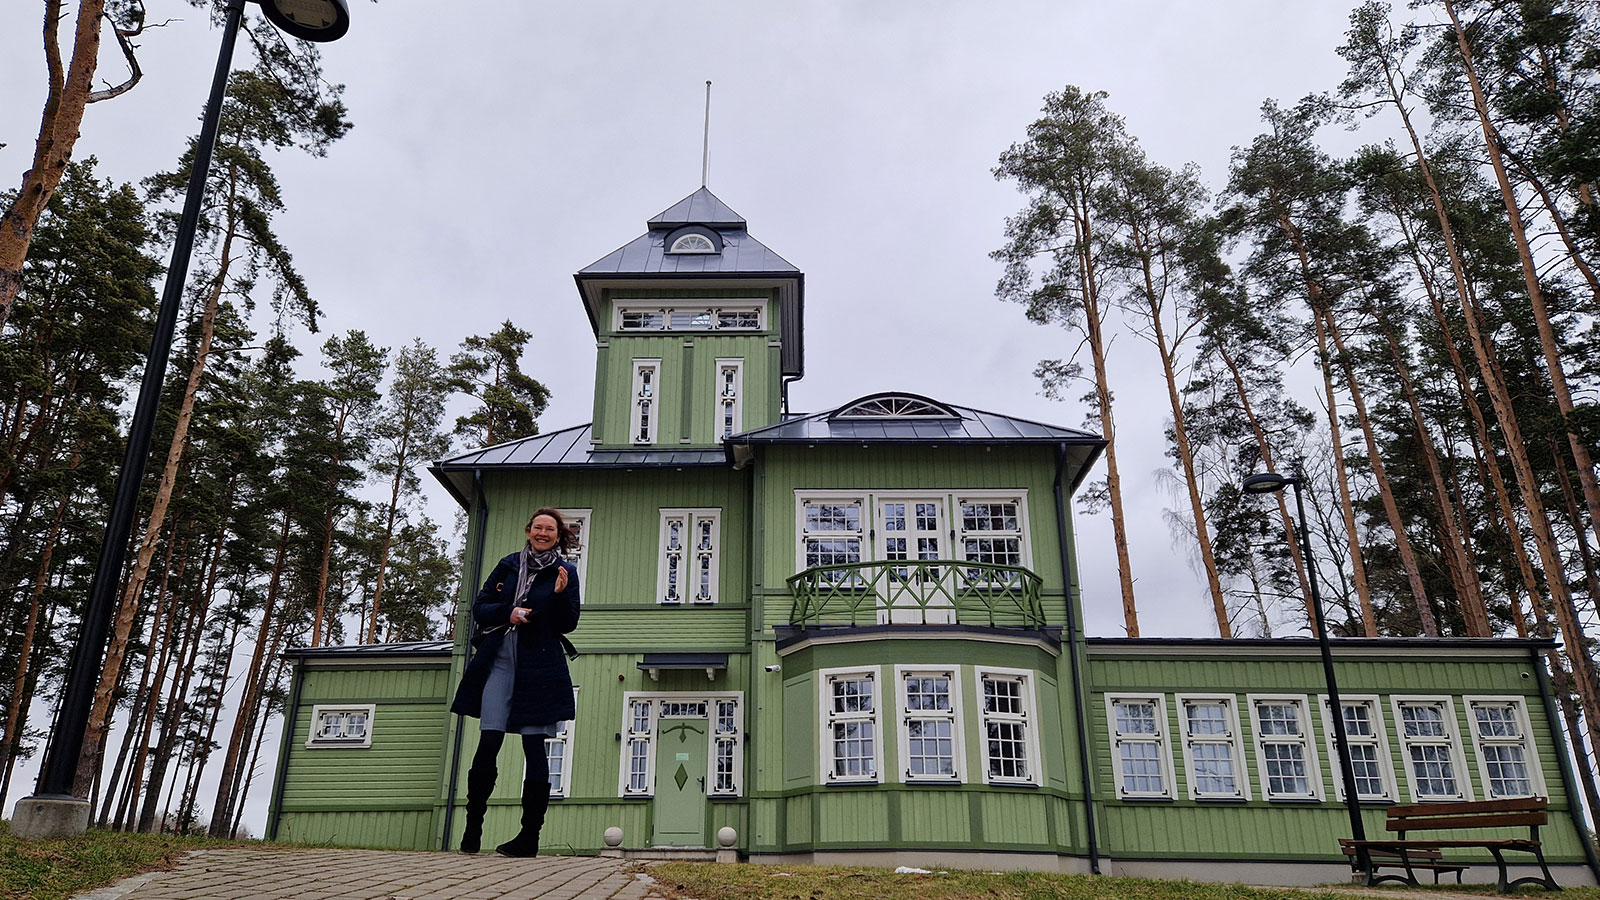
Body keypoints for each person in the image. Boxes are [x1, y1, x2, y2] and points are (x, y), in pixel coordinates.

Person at [449, 507, 581, 856]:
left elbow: (568, 623)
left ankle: (529, 838)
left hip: (538, 664)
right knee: (489, 740)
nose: (543, 533)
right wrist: (507, 612)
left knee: (534, 746)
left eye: (549, 529)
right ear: (528, 531)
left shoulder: (565, 571)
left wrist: (558, 595)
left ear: (558, 535)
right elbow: (480, 606)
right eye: (538, 527)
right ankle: (472, 828)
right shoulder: (507, 565)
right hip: (500, 659)